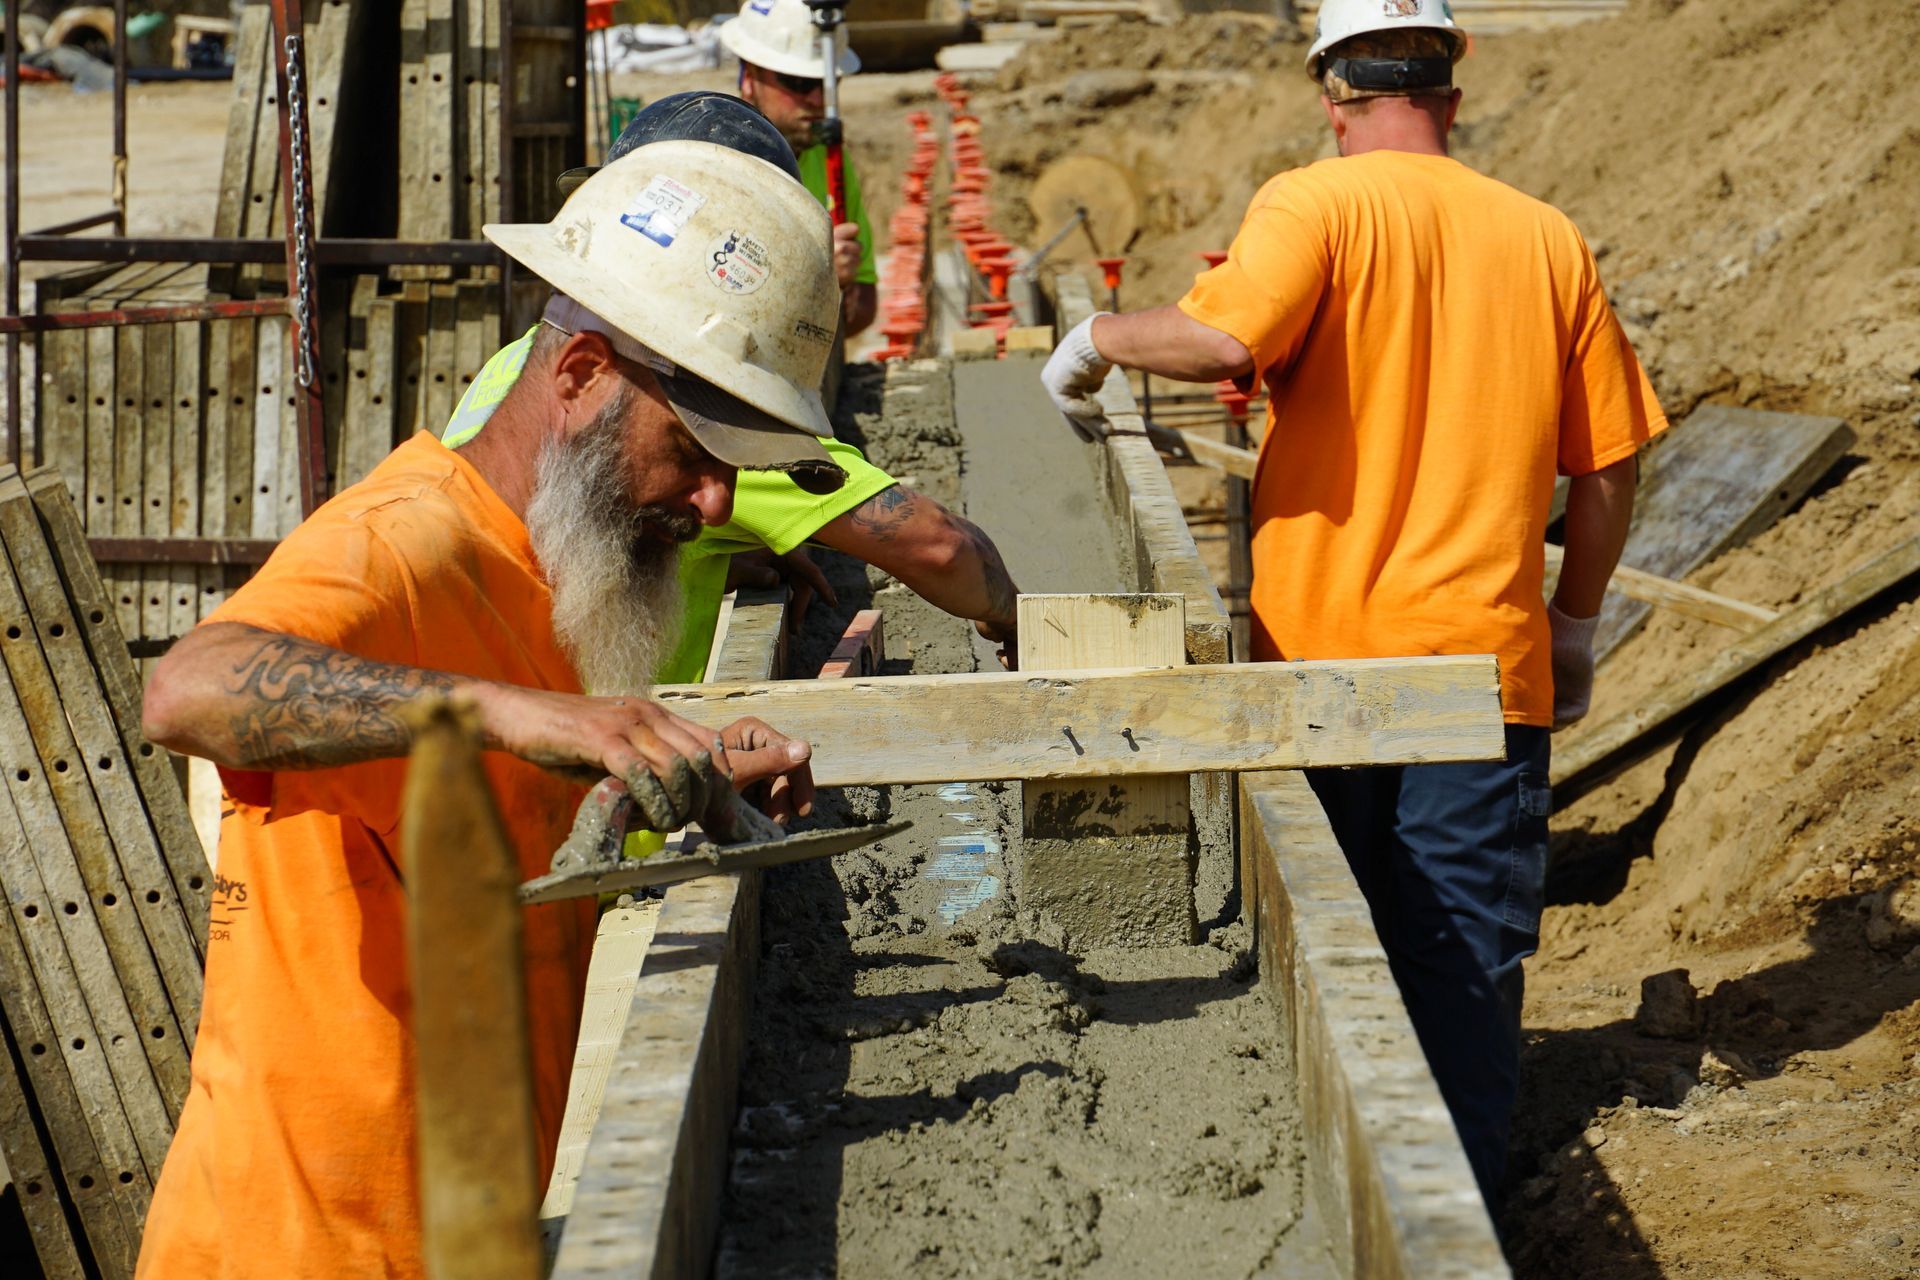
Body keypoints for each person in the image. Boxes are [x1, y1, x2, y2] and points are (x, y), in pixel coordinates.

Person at [134, 140, 845, 1278]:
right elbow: (189, 686)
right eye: (695, 452)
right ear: (579, 378)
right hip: (304, 1247)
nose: (716, 502)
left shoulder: (561, 573)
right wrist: (527, 716)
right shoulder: (399, 544)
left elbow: (500, 821)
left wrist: (664, 770)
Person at [1040, 0, 1666, 1204]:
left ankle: (1331, 1210)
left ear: (1334, 94)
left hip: (1321, 670)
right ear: (1449, 92)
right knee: (1461, 991)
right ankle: (1456, 1224)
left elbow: (1226, 342)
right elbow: (1609, 467)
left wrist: (1100, 335)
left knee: (1327, 961)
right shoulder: (1545, 236)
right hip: (1482, 684)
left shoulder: (1312, 203)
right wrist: (1574, 629)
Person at [484, 92, 1020, 689]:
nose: (716, 498)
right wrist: (1019, 616)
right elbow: (942, 549)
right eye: (698, 455)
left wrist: (708, 555)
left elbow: (570, 530)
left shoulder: (515, 367)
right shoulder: (691, 395)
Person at [719, 0, 878, 336]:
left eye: (828, 82)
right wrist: (810, 278)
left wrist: (840, 287)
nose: (819, 100)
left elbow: (862, 304)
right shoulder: (715, 163)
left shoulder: (829, 153)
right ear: (750, 77)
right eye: (799, 83)